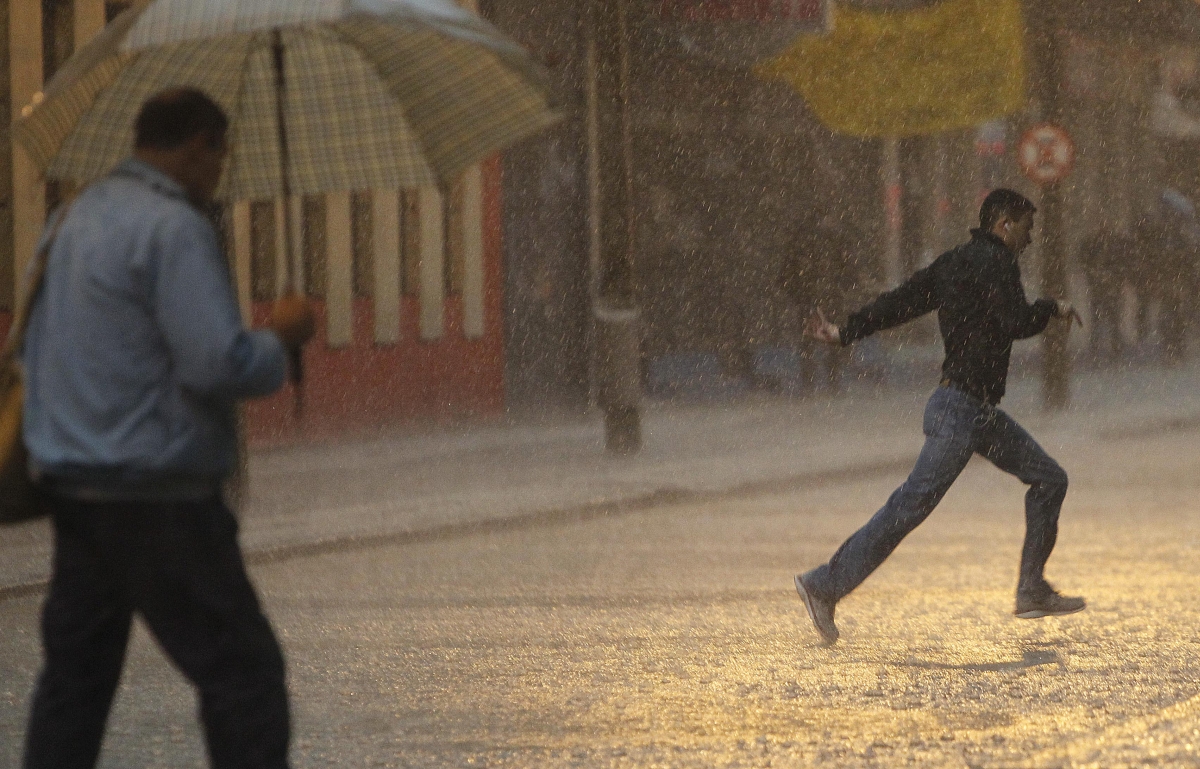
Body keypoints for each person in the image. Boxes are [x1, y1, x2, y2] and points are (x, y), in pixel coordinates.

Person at [21, 89, 315, 768]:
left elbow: (41, 346)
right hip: (160, 499)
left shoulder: (72, 219)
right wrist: (281, 338)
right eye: (220, 157)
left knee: (74, 686)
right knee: (244, 674)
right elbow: (216, 362)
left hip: (76, 489)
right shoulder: (175, 228)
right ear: (198, 146)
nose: (219, 174)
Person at [793, 188, 1085, 646]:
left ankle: (1031, 589)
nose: (1030, 239)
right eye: (1027, 228)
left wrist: (845, 331)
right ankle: (823, 585)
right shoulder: (999, 262)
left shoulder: (953, 263)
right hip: (961, 412)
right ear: (1004, 225)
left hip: (971, 410)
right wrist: (1051, 308)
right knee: (909, 506)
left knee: (1049, 478)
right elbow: (1016, 321)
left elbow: (901, 302)